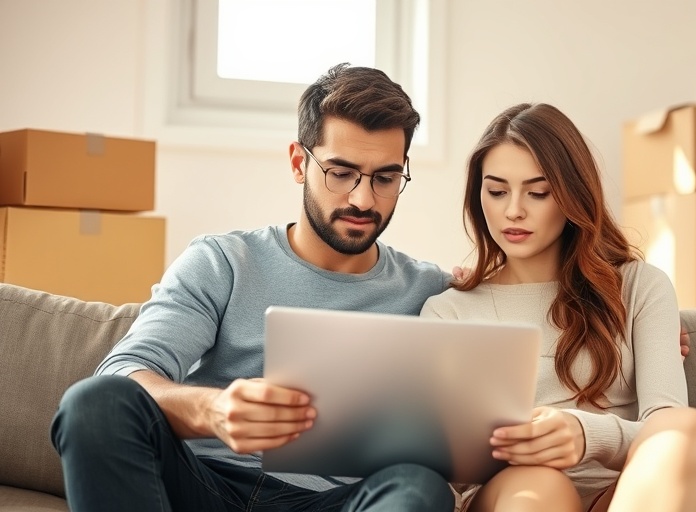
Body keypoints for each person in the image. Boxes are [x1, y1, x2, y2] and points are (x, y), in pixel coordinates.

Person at [50, 63, 456, 512]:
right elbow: (123, 372)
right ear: (299, 163)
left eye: (385, 178)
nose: (363, 199)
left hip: (337, 504)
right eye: (341, 173)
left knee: (420, 486)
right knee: (94, 402)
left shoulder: (432, 292)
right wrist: (214, 410)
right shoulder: (223, 261)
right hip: (205, 487)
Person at [420, 103, 696, 512]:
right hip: (515, 494)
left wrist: (586, 434)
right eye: (496, 191)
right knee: (542, 487)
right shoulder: (448, 311)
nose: (514, 210)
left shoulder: (639, 287)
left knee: (687, 428)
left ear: (571, 195)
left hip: (625, 495)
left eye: (538, 192)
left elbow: (665, 424)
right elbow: (444, 470)